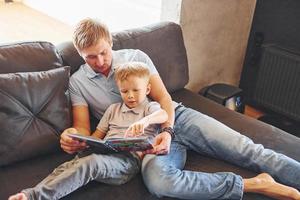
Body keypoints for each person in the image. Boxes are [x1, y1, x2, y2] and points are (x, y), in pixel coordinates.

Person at [17, 18, 300, 200]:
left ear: (111, 43)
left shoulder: (136, 58)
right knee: (160, 184)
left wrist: (167, 130)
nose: (100, 61)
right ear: (80, 55)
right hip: (144, 145)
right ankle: (254, 184)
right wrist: (71, 136)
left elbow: (164, 100)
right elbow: (84, 129)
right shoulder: (78, 82)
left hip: (177, 118)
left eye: (104, 52)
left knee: (248, 150)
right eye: (90, 57)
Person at [8, 62, 168, 200]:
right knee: (67, 166)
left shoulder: (149, 108)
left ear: (147, 89)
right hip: (104, 151)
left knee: (92, 163)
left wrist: (145, 121)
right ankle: (29, 195)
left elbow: (163, 114)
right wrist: (83, 141)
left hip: (127, 161)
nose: (130, 96)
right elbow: (96, 137)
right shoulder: (113, 109)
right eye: (124, 91)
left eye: (136, 90)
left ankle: (35, 197)